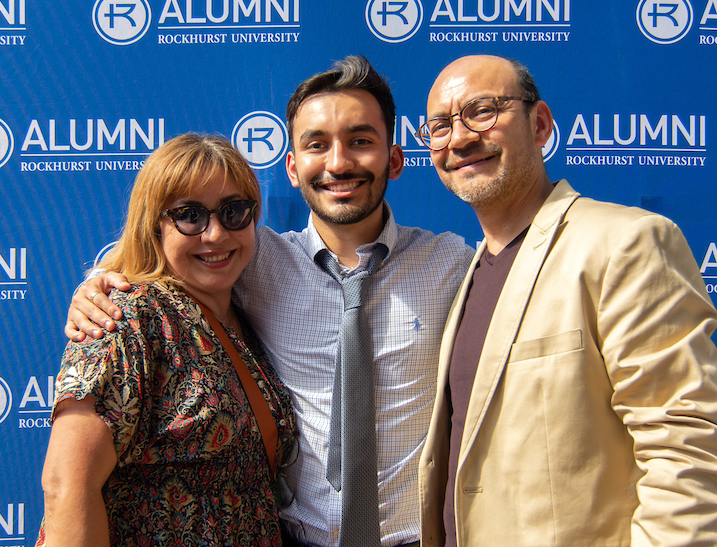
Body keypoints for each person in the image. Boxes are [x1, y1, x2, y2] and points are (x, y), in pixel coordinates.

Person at [63, 57, 475, 547]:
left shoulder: (453, 263)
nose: (338, 163)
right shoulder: (254, 260)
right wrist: (100, 286)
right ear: (293, 168)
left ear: (395, 158)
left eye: (361, 141)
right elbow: (171, 263)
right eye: (316, 145)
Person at [416, 54, 717, 546]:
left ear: (540, 125)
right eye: (441, 125)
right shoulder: (468, 273)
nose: (461, 138)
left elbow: (688, 452)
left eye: (483, 111)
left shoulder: (626, 242)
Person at [38, 134, 296, 547]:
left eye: (233, 211)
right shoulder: (126, 317)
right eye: (190, 215)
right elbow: (66, 486)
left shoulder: (245, 316)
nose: (214, 234)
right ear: (154, 224)